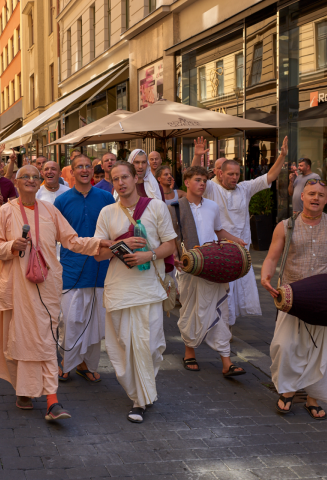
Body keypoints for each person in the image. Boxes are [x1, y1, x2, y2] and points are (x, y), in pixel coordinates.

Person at [0, 165, 110, 420]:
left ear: (40, 182)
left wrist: (99, 243)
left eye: (36, 177)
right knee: (19, 341)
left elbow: (72, 240)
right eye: (26, 177)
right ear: (17, 182)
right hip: (17, 287)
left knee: (44, 339)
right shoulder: (6, 211)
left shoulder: (50, 210)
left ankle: (51, 400)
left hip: (47, 286)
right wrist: (12, 245)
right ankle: (24, 390)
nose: (31, 180)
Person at [262, 179, 327, 418]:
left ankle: (313, 398)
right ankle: (287, 391)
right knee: (285, 345)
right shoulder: (285, 226)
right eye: (312, 193)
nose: (316, 198)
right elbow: (272, 257)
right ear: (302, 197)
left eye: (321, 195)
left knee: (323, 350)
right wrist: (265, 276)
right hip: (293, 296)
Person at [93, 161, 177, 423]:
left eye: (125, 177)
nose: (121, 183)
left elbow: (171, 245)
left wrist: (147, 255)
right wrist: (122, 243)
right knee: (123, 346)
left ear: (135, 178)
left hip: (149, 288)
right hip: (119, 288)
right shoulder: (107, 212)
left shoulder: (156, 207)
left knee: (150, 346)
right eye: (116, 179)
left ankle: (140, 400)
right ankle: (138, 395)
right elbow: (98, 255)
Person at [191, 136, 288, 328]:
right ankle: (221, 329)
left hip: (241, 251)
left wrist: (282, 156)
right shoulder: (211, 188)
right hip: (218, 250)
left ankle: (226, 327)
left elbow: (269, 177)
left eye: (237, 174)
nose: (234, 177)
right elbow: (195, 178)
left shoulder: (244, 188)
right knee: (222, 290)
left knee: (235, 291)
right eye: (230, 174)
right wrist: (197, 157)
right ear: (220, 173)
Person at [173, 166, 247, 377]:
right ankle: (189, 352)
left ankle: (226, 361)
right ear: (187, 182)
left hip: (214, 266)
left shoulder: (212, 206)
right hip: (188, 267)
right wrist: (175, 258)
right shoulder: (175, 207)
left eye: (205, 180)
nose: (202, 184)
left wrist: (236, 241)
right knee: (190, 310)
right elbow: (170, 237)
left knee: (220, 310)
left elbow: (218, 231)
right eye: (198, 180)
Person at [54, 155, 114, 382]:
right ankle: (66, 361)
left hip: (101, 268)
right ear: (72, 172)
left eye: (88, 166)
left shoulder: (106, 197)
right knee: (70, 320)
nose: (85, 170)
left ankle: (85, 364)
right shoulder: (62, 200)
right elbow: (55, 235)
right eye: (79, 166)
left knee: (96, 322)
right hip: (71, 268)